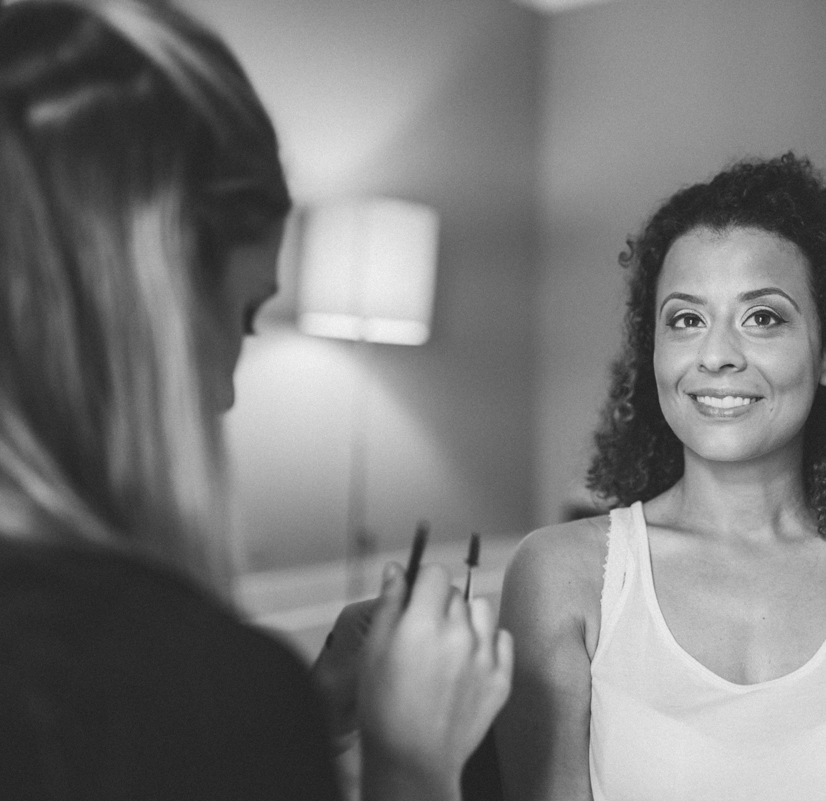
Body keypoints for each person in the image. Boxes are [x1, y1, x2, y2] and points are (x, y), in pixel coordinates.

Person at [0, 2, 511, 799]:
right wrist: (412, 765)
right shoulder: (185, 684)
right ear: (148, 309)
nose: (225, 391)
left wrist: (306, 706)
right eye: (243, 314)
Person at [494, 153, 826, 800]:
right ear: (652, 352)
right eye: (686, 319)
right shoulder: (561, 575)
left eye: (762, 317)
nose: (716, 354)